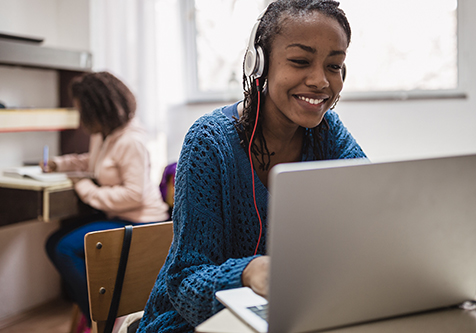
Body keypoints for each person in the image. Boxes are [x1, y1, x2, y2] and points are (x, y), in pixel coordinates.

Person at [137, 1, 366, 332]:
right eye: (301, 61)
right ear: (259, 64)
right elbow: (183, 281)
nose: (320, 81)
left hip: (289, 315)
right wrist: (246, 273)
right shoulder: (209, 141)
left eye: (334, 66)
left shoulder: (328, 134)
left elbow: (373, 216)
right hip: (190, 323)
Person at [44, 71, 169, 330]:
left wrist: (86, 189)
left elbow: (133, 195)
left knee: (65, 249)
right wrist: (60, 164)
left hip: (143, 223)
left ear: (97, 109)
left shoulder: (131, 141)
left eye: (82, 111)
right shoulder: (104, 135)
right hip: (119, 217)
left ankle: (103, 318)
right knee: (54, 241)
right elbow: (94, 163)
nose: (81, 118)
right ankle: (100, 311)